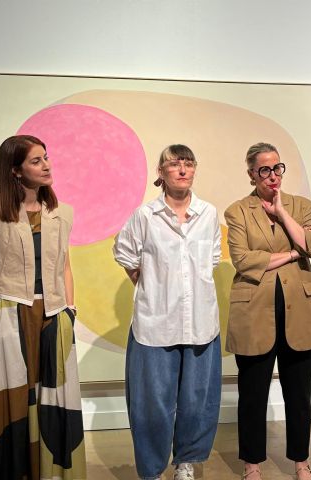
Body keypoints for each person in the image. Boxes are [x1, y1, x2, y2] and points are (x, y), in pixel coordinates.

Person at [0, 135, 86, 479]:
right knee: (3, 407)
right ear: (15, 170)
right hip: (10, 316)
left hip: (53, 318)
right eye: (35, 160)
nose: (46, 165)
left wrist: (69, 310)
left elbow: (64, 266)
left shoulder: (61, 212)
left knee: (51, 405)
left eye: (46, 157)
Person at [113, 144, 222, 480]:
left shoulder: (208, 213)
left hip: (200, 321)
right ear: (160, 172)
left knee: (197, 400)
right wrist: (150, 285)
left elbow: (212, 258)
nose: (183, 169)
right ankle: (151, 470)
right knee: (152, 403)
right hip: (155, 323)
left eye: (188, 163)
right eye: (174, 164)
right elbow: (125, 253)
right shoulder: (145, 216)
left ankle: (185, 462)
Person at [224, 142, 311, 480]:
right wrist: (294, 254)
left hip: (300, 310)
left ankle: (301, 462)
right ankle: (252, 464)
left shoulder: (300, 206)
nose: (272, 176)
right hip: (254, 310)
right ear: (252, 174)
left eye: (277, 168)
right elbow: (244, 260)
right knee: (252, 394)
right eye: (264, 170)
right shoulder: (237, 211)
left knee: (299, 394)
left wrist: (282, 212)